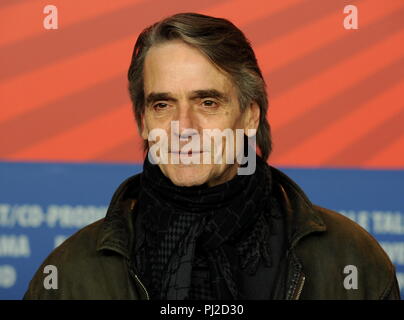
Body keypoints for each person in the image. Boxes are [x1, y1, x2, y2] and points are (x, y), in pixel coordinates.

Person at [24, 12, 400, 300]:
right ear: (142, 121)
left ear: (250, 116)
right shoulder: (69, 274)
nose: (183, 127)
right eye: (162, 104)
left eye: (208, 102)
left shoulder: (349, 258)